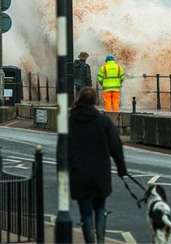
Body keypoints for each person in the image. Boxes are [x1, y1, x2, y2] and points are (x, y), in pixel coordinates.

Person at [69, 87, 127, 243]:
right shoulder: (103, 121)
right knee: (100, 208)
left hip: (79, 174)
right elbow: (116, 147)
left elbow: (63, 149)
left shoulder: (70, 122)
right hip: (100, 173)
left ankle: (90, 242)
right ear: (94, 101)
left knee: (86, 213)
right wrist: (122, 169)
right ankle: (100, 240)